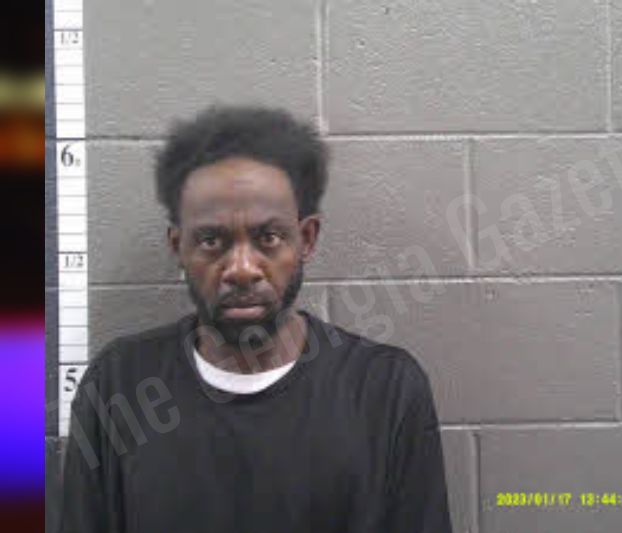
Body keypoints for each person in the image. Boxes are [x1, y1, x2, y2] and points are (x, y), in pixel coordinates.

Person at [59, 105, 453, 533]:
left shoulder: (385, 390)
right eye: (212, 240)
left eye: (269, 237)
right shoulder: (120, 386)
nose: (242, 269)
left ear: (306, 239)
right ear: (178, 248)